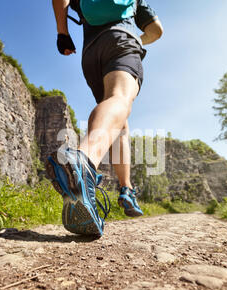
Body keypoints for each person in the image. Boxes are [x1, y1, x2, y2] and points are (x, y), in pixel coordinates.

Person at [47, 0, 163, 237]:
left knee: (115, 116)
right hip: (122, 39)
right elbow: (156, 30)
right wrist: (138, 39)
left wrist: (63, 33)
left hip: (91, 53)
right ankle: (84, 161)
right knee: (120, 98)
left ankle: (125, 188)